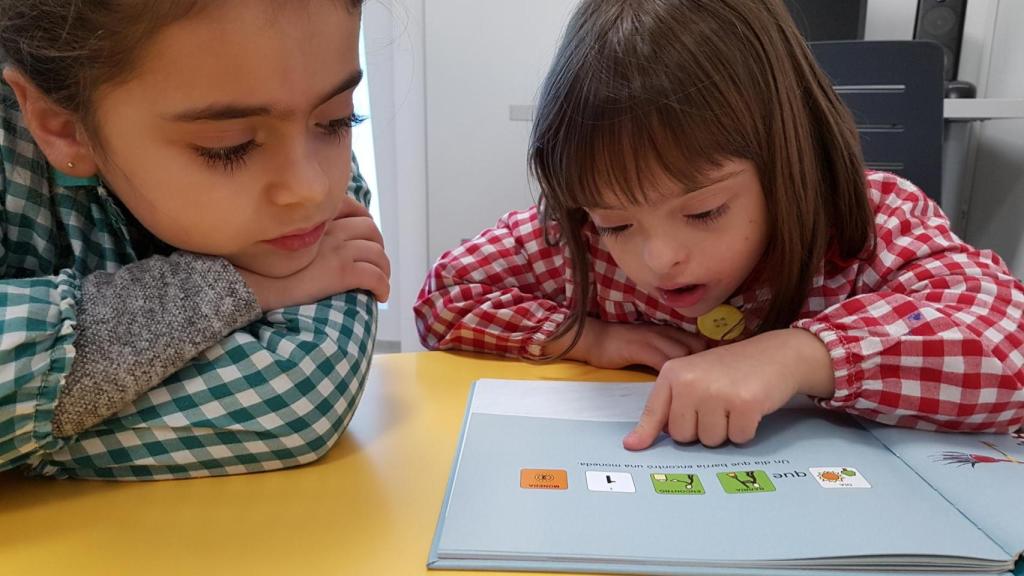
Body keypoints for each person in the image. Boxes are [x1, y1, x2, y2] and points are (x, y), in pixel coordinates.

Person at [414, 0, 1024, 449]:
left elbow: (1005, 337)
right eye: (617, 223)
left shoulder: (868, 220)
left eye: (704, 211)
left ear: (789, 158)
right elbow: (444, 297)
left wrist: (799, 354)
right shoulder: (577, 240)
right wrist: (593, 340)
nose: (658, 258)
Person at [0, 0, 390, 479]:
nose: (312, 188)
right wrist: (228, 288)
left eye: (338, 120)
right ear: (62, 127)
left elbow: (296, 397)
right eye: (230, 147)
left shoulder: (296, 133)